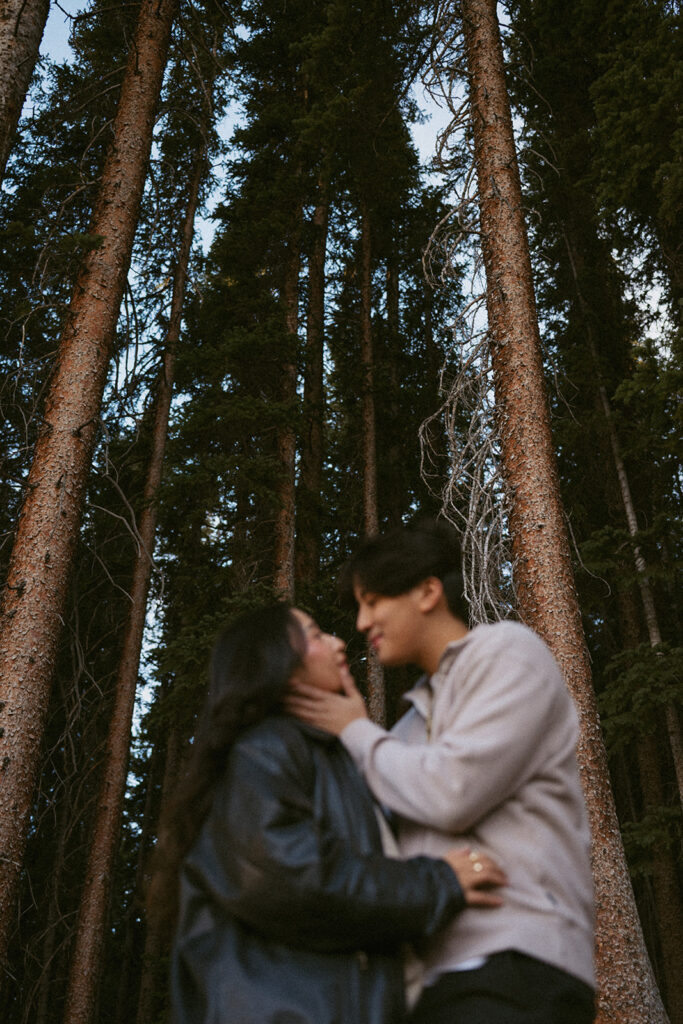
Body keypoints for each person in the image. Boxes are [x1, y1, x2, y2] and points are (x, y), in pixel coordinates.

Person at [286, 521, 596, 1024]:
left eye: (373, 602)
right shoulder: (406, 727)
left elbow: (454, 791)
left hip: (516, 963)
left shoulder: (509, 653)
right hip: (431, 983)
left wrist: (355, 730)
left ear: (428, 592)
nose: (362, 623)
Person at [157, 603, 506, 1024]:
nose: (339, 642)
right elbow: (289, 876)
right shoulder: (264, 751)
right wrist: (437, 882)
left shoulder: (321, 758)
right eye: (315, 635)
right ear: (276, 662)